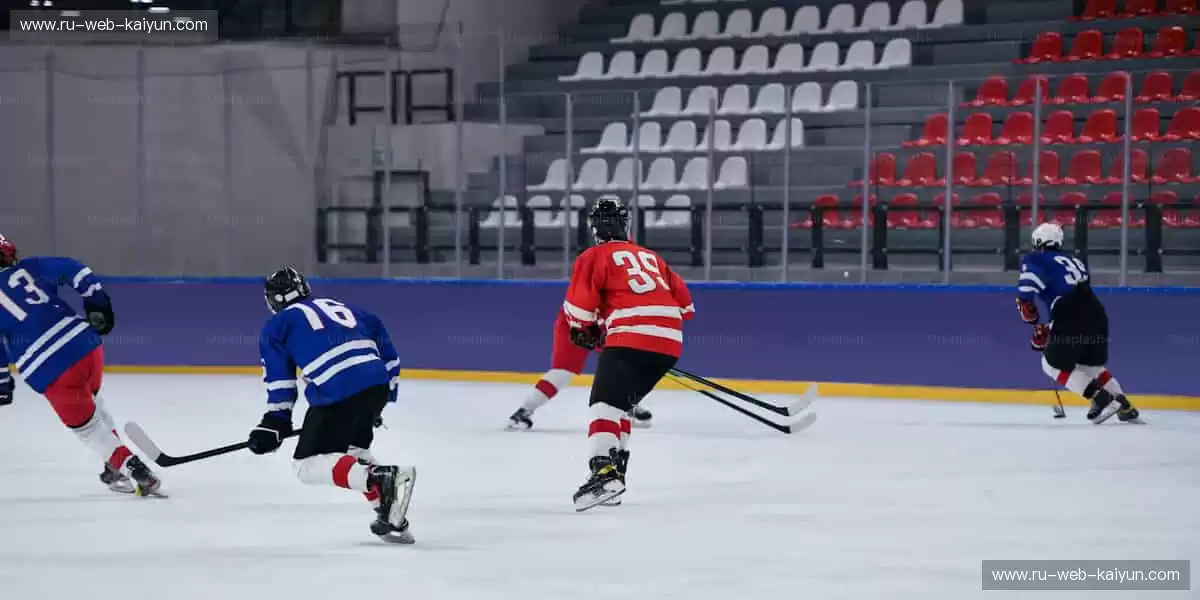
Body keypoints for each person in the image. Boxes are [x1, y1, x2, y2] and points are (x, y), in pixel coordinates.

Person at [248, 267, 416, 543]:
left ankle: (380, 478)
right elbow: (390, 357)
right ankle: (392, 518)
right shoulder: (352, 311)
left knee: (306, 465)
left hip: (338, 389)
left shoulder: (276, 326)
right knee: (355, 451)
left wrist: (275, 422)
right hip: (376, 385)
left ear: (274, 300)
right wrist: (380, 403)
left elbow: (280, 382)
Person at [0, 234, 162, 496]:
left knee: (87, 430)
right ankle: (114, 466)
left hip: (50, 367)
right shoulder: (28, 268)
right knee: (93, 404)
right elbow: (74, 269)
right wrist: (97, 301)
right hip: (86, 346)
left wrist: (2, 382)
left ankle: (135, 470)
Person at [562, 198, 694, 511]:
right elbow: (686, 307)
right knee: (621, 406)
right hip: (670, 341)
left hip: (630, 336)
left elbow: (579, 309)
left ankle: (604, 472)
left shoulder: (592, 256)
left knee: (604, 405)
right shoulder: (650, 256)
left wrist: (586, 329)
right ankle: (616, 480)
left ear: (594, 229)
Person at [1017, 223, 1140, 424]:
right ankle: (1124, 404)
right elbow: (1076, 297)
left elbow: (1029, 286)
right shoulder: (1076, 261)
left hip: (1069, 313)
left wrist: (1025, 303)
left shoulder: (1036, 258)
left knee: (1051, 365)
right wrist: (1050, 327)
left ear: (1038, 242)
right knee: (1090, 367)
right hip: (1096, 312)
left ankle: (1099, 398)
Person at [505, 312, 653, 431]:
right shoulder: (592, 281)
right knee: (563, 372)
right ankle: (524, 411)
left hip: (602, 321)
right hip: (576, 319)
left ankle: (625, 405)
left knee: (621, 361)